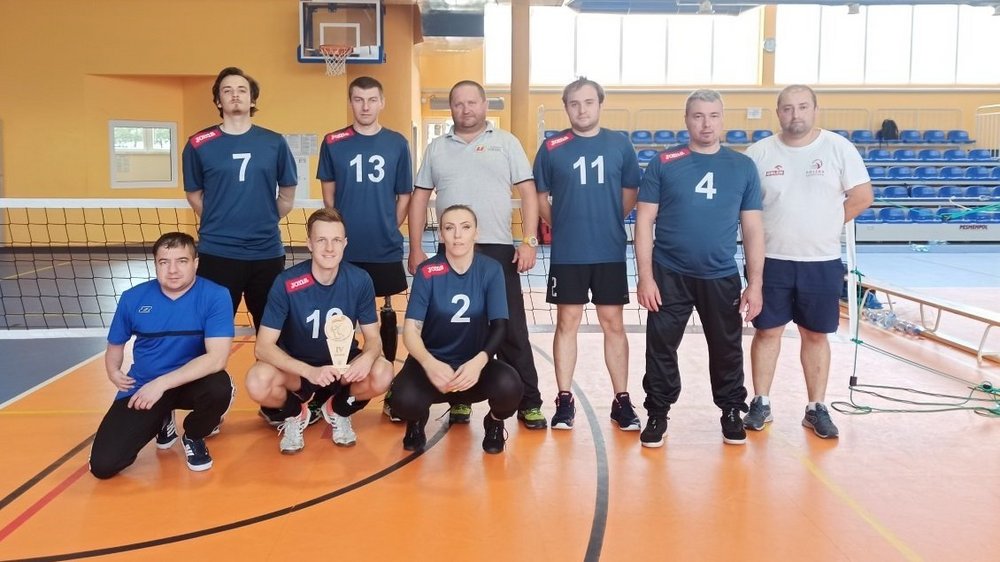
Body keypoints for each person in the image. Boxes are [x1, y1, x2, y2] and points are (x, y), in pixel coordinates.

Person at [408, 80, 545, 430]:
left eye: (472, 102)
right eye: (458, 103)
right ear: (450, 108)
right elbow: (420, 199)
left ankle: (529, 401)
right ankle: (459, 399)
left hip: (497, 250)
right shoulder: (437, 148)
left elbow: (528, 193)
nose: (465, 109)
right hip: (449, 249)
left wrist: (528, 240)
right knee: (455, 328)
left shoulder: (506, 143)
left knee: (511, 328)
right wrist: (415, 247)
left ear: (485, 105)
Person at [634, 89, 765, 449]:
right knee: (660, 346)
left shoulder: (742, 167)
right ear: (686, 119)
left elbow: (753, 228)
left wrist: (755, 284)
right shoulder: (665, 162)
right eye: (698, 116)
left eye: (713, 116)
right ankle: (658, 412)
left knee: (726, 347)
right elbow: (644, 221)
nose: (706, 124)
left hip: (720, 274)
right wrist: (645, 277)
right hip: (668, 273)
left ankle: (730, 411)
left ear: (723, 119)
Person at [743, 85, 874, 439]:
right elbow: (746, 207)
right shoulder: (759, 153)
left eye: (802, 107)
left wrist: (827, 225)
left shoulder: (837, 148)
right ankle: (761, 401)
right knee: (767, 331)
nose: (795, 114)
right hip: (771, 261)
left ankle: (816, 407)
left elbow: (863, 196)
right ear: (777, 112)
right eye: (787, 108)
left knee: (815, 334)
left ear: (815, 109)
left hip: (821, 261)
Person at [533, 78, 642, 431]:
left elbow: (630, 194)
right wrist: (561, 225)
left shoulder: (619, 145)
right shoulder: (552, 147)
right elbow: (540, 199)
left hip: (609, 251)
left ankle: (621, 400)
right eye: (575, 103)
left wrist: (610, 220)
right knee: (568, 323)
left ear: (600, 104)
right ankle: (564, 400)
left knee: (614, 323)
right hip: (569, 254)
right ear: (566, 107)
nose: (582, 109)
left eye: (589, 102)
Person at [245, 208, 394, 453]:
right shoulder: (287, 283)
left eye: (336, 240)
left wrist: (367, 358)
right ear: (309, 244)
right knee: (257, 381)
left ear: (345, 244)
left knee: (383, 372)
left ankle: (337, 410)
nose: (329, 248)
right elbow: (263, 347)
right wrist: (310, 372)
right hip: (299, 370)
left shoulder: (360, 280)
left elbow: (373, 339)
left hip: (342, 367)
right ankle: (295, 414)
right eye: (321, 240)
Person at [89, 232, 234, 478]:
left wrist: (162, 384)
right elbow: (115, 346)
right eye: (164, 262)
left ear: (196, 263)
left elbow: (217, 358)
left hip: (191, 383)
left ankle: (194, 435)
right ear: (155, 264)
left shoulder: (215, 295)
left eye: (182, 261)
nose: (173, 270)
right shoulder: (133, 298)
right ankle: (162, 418)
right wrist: (113, 372)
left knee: (220, 386)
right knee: (104, 466)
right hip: (145, 385)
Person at [389, 205, 523, 453]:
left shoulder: (490, 270)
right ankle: (416, 420)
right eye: (449, 228)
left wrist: (479, 362)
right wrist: (429, 364)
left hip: (472, 369)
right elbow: (410, 331)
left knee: (511, 387)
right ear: (441, 235)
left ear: (476, 233)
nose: (457, 235)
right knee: (401, 399)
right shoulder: (428, 272)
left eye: (465, 227)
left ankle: (493, 422)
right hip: (432, 367)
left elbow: (500, 327)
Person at [317, 76, 412, 423]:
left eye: (372, 99)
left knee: (385, 314)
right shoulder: (334, 141)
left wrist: (390, 224)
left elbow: (405, 196)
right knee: (339, 317)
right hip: (344, 249)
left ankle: (386, 387)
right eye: (358, 100)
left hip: (383, 246)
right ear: (351, 102)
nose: (365, 106)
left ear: (382, 102)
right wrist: (337, 235)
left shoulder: (397, 143)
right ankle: (333, 386)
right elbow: (329, 195)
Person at [182, 66, 298, 331]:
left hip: (266, 252)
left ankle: (271, 375)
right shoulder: (198, 143)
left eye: (242, 90)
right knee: (211, 332)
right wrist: (221, 219)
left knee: (274, 332)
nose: (235, 95)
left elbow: (287, 195)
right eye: (227, 90)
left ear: (252, 100)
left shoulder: (274, 142)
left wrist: (263, 219)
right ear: (218, 101)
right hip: (217, 253)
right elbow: (194, 194)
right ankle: (213, 375)